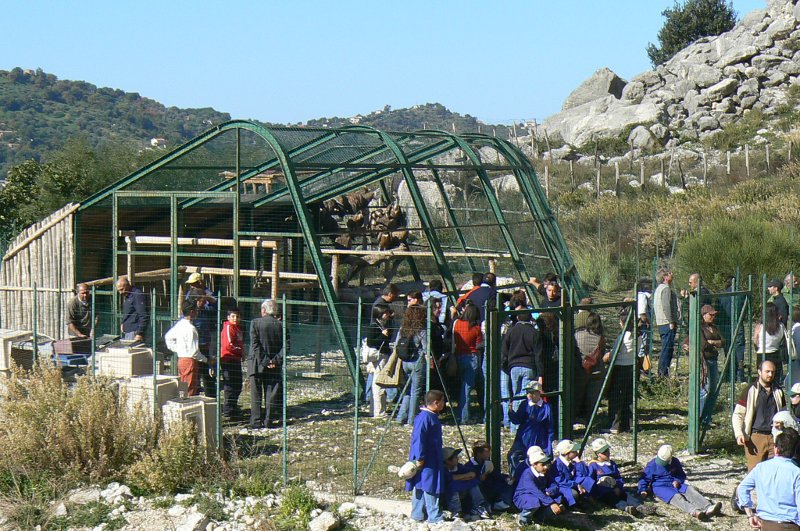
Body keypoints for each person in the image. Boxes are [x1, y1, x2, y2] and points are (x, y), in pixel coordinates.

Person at [732, 359, 789, 471]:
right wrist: (739, 434)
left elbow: (783, 414)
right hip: (755, 438)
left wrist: (782, 424)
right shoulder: (750, 390)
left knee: (774, 474)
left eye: (772, 372)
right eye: (767, 371)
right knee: (755, 474)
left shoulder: (778, 391)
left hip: (774, 437)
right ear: (759, 372)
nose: (770, 374)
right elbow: (738, 414)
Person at [638, 444, 721, 520]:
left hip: (675, 483)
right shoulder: (652, 465)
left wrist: (677, 480)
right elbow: (644, 479)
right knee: (677, 497)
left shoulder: (675, 461)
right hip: (660, 486)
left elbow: (681, 475)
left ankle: (708, 507)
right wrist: (642, 490)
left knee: (690, 490)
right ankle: (694, 511)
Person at [737, 430, 800, 530]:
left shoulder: (760, 468)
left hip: (765, 524)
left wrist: (750, 514)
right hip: (790, 525)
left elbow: (742, 488)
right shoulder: (796, 473)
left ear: (776, 449)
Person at [406, 389, 446, 524]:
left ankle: (417, 514)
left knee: (420, 483)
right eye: (443, 401)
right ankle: (434, 516)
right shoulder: (425, 417)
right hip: (427, 458)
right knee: (430, 484)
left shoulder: (430, 416)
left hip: (430, 456)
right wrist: (420, 457)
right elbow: (419, 438)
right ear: (436, 403)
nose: (444, 404)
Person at [502, 310, 544, 434]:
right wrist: (540, 373)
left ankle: (514, 425)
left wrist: (506, 366)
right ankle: (521, 425)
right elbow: (538, 355)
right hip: (529, 366)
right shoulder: (534, 333)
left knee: (516, 395)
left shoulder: (511, 331)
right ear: (530, 318)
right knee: (525, 396)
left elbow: (504, 351)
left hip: (513, 367)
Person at [248, 299, 287, 430]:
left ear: (263, 310)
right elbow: (286, 346)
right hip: (274, 365)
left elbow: (255, 345)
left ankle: (256, 420)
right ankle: (269, 420)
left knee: (256, 393)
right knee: (271, 392)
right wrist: (274, 361)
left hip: (256, 363)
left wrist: (265, 361)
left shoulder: (255, 323)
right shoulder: (282, 325)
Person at [586, 438, 651, 516]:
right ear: (598, 454)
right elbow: (590, 481)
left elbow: (618, 477)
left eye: (607, 450)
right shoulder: (593, 465)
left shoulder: (612, 464)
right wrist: (593, 495)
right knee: (612, 498)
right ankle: (627, 508)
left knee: (626, 495)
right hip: (603, 492)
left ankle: (640, 506)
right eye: (604, 452)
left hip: (615, 487)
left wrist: (618, 486)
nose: (607, 453)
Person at [507, 381, 554, 476]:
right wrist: (511, 412)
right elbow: (517, 420)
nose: (529, 395)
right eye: (528, 392)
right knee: (512, 456)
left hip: (539, 438)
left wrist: (549, 445)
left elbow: (550, 427)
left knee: (538, 460)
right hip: (523, 437)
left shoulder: (546, 407)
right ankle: (516, 476)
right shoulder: (525, 404)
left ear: (539, 393)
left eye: (532, 392)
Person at [514, 445, 566, 526]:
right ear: (534, 465)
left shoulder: (545, 472)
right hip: (525, 496)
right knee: (533, 501)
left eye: (546, 464)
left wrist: (550, 491)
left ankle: (540, 517)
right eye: (542, 465)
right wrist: (551, 503)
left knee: (558, 497)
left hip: (542, 494)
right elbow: (535, 491)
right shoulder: (527, 474)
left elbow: (554, 485)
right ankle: (524, 518)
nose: (546, 467)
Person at [395, 304, 429, 426]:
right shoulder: (421, 329)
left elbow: (396, 344)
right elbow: (426, 347)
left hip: (405, 361)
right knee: (416, 391)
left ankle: (400, 417)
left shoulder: (403, 328)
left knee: (407, 390)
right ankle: (411, 420)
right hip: (417, 361)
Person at [165, 302, 205, 396]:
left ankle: (182, 404)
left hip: (181, 360)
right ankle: (187, 407)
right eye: (196, 311)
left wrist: (178, 349)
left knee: (183, 387)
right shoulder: (191, 328)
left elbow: (168, 337)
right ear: (192, 312)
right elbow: (194, 352)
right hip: (190, 361)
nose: (197, 313)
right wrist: (206, 360)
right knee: (189, 389)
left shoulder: (179, 324)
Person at [574, 312, 606, 425]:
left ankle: (577, 418)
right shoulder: (600, 338)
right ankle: (590, 421)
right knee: (592, 400)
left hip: (580, 371)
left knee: (578, 397)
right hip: (596, 372)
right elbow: (602, 354)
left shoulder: (577, 335)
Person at [442, 446, 491, 520]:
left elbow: (472, 473)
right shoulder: (443, 470)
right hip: (447, 497)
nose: (457, 459)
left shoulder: (458, 466)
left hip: (462, 492)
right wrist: (465, 476)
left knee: (473, 484)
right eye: (455, 457)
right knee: (453, 486)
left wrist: (462, 477)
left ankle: (479, 506)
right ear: (448, 461)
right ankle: (455, 511)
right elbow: (449, 478)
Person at [453, 302, 482, 424]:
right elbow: (479, 345)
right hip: (472, 357)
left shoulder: (457, 324)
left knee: (461, 386)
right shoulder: (476, 328)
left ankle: (459, 413)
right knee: (467, 388)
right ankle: (464, 416)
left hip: (458, 357)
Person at [607, 307, 635, 434]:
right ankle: (629, 424)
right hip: (631, 366)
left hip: (619, 368)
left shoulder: (622, 337)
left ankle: (615, 425)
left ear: (623, 323)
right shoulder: (638, 335)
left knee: (616, 397)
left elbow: (614, 354)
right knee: (629, 397)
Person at [467, 441, 513, 513]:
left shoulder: (487, 462)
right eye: (487, 452)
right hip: (483, 490)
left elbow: (495, 474)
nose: (489, 454)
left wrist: (506, 478)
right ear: (479, 453)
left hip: (492, 486)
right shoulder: (469, 467)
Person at [367, 303, 395, 417]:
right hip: (379, 358)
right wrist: (383, 336)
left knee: (378, 384)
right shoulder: (374, 326)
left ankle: (376, 410)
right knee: (378, 384)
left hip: (383, 355)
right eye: (386, 313)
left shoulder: (383, 325)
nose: (388, 315)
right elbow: (371, 342)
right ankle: (379, 412)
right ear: (380, 314)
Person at [189, 287, 217, 398]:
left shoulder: (205, 310)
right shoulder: (190, 314)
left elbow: (217, 305)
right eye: (201, 300)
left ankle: (211, 400)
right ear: (196, 300)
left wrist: (208, 298)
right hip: (194, 349)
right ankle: (194, 399)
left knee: (208, 376)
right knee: (194, 377)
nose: (204, 302)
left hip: (205, 346)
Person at [699, 304, 724, 424]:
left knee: (714, 389)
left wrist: (713, 342)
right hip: (704, 361)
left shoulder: (714, 328)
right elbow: (703, 345)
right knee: (705, 389)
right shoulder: (699, 328)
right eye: (711, 315)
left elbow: (723, 341)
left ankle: (707, 417)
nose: (713, 317)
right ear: (704, 315)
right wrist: (715, 343)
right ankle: (699, 417)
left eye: (714, 315)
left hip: (714, 360)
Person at [653, 269, 679, 377]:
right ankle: (663, 373)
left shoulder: (658, 289)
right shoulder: (666, 289)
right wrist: (671, 321)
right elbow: (666, 306)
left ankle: (662, 372)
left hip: (661, 322)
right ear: (665, 277)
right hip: (666, 323)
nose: (672, 274)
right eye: (669, 273)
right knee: (667, 349)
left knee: (666, 348)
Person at [754, 303, 788, 384]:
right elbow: (782, 339)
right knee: (775, 381)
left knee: (763, 381)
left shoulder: (760, 327)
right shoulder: (781, 326)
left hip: (762, 354)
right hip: (775, 354)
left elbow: (756, 342)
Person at [552, 439, 592, 507]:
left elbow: (585, 473)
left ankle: (585, 499)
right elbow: (560, 481)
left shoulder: (572, 461)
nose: (577, 452)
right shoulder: (557, 465)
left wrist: (579, 462)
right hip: (563, 486)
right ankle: (570, 505)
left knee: (587, 480)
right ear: (567, 453)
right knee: (574, 494)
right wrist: (576, 485)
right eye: (574, 451)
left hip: (572, 482)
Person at [220, 307, 244, 418]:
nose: (235, 318)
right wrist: (241, 352)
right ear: (228, 317)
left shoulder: (238, 328)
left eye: (237, 316)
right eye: (233, 316)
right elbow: (228, 345)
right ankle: (227, 409)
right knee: (230, 385)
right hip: (228, 359)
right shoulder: (228, 327)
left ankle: (233, 406)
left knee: (238, 384)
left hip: (236, 359)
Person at [116, 276, 148, 342]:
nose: (120, 292)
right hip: (128, 332)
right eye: (119, 290)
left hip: (134, 332)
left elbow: (144, 315)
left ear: (128, 285)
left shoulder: (137, 295)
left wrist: (139, 333)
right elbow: (129, 312)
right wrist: (123, 323)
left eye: (122, 289)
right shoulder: (128, 295)